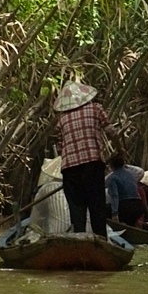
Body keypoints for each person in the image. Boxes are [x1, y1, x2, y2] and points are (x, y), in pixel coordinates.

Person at [53, 80, 114, 235]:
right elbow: (110, 131)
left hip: (69, 169)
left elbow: (60, 148)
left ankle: (79, 240)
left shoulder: (61, 120)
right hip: (92, 164)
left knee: (77, 209)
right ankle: (100, 241)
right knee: (96, 206)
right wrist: (120, 148)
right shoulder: (95, 108)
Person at [105, 152, 148, 229]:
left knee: (102, 211)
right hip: (138, 207)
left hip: (125, 208)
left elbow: (115, 196)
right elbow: (140, 170)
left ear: (111, 165)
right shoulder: (131, 173)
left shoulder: (111, 178)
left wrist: (114, 214)